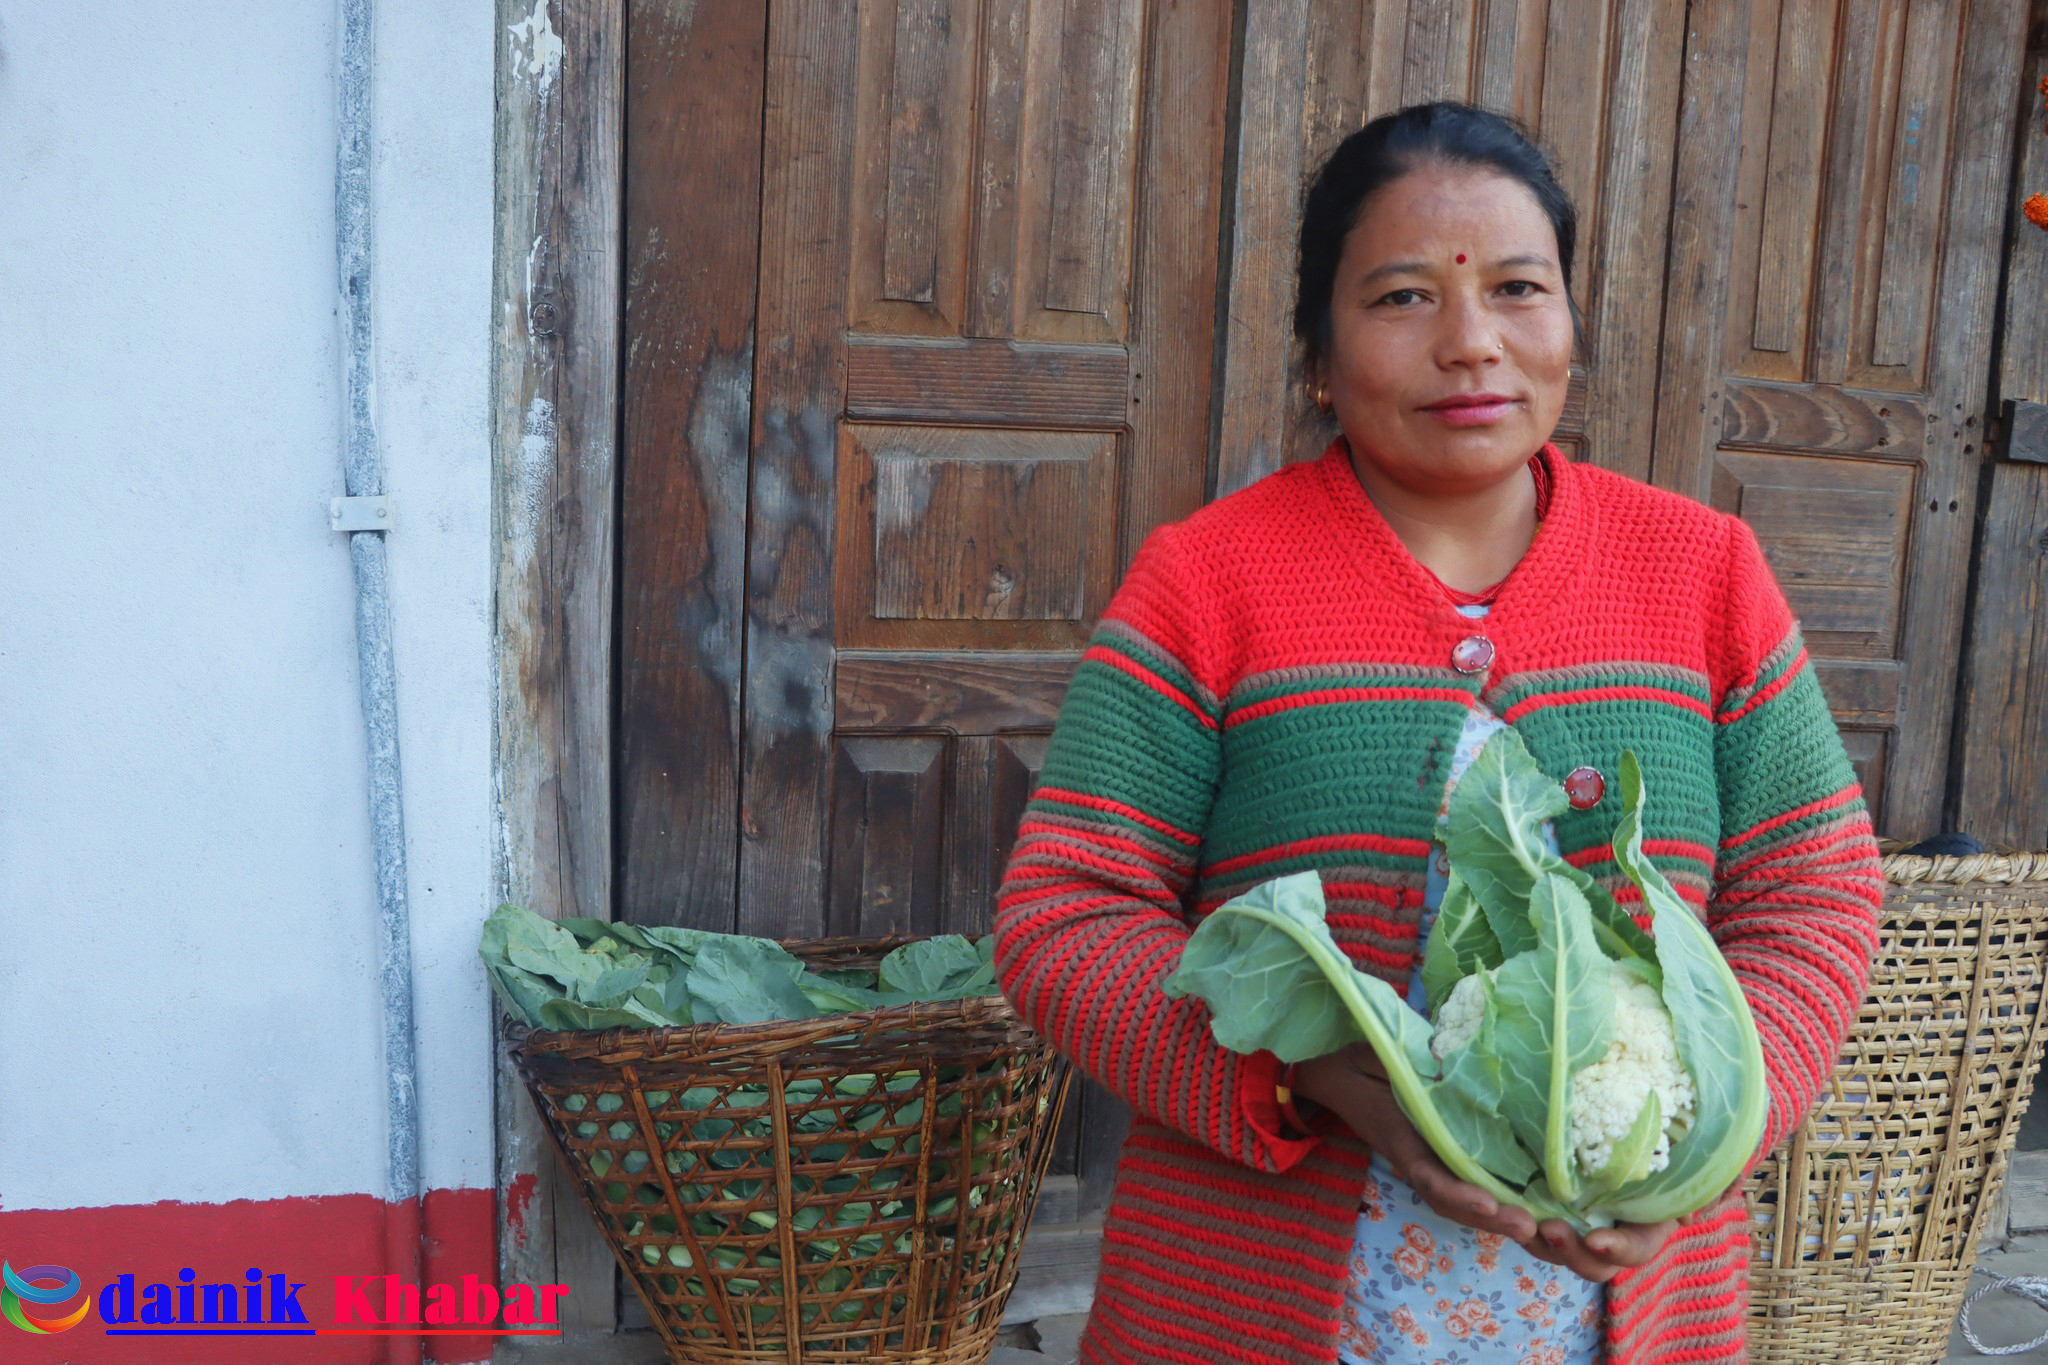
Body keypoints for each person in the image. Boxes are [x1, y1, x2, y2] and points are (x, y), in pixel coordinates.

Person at [992, 102, 1882, 1365]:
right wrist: (1312, 1076)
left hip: (1620, 1309)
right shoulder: (1208, 581)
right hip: (1252, 1298)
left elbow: (1814, 889)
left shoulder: (1700, 572)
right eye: (1403, 298)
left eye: (1518, 288)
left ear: (1570, 323)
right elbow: (1064, 912)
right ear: (1316, 348)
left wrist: (1703, 1133)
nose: (1472, 344)